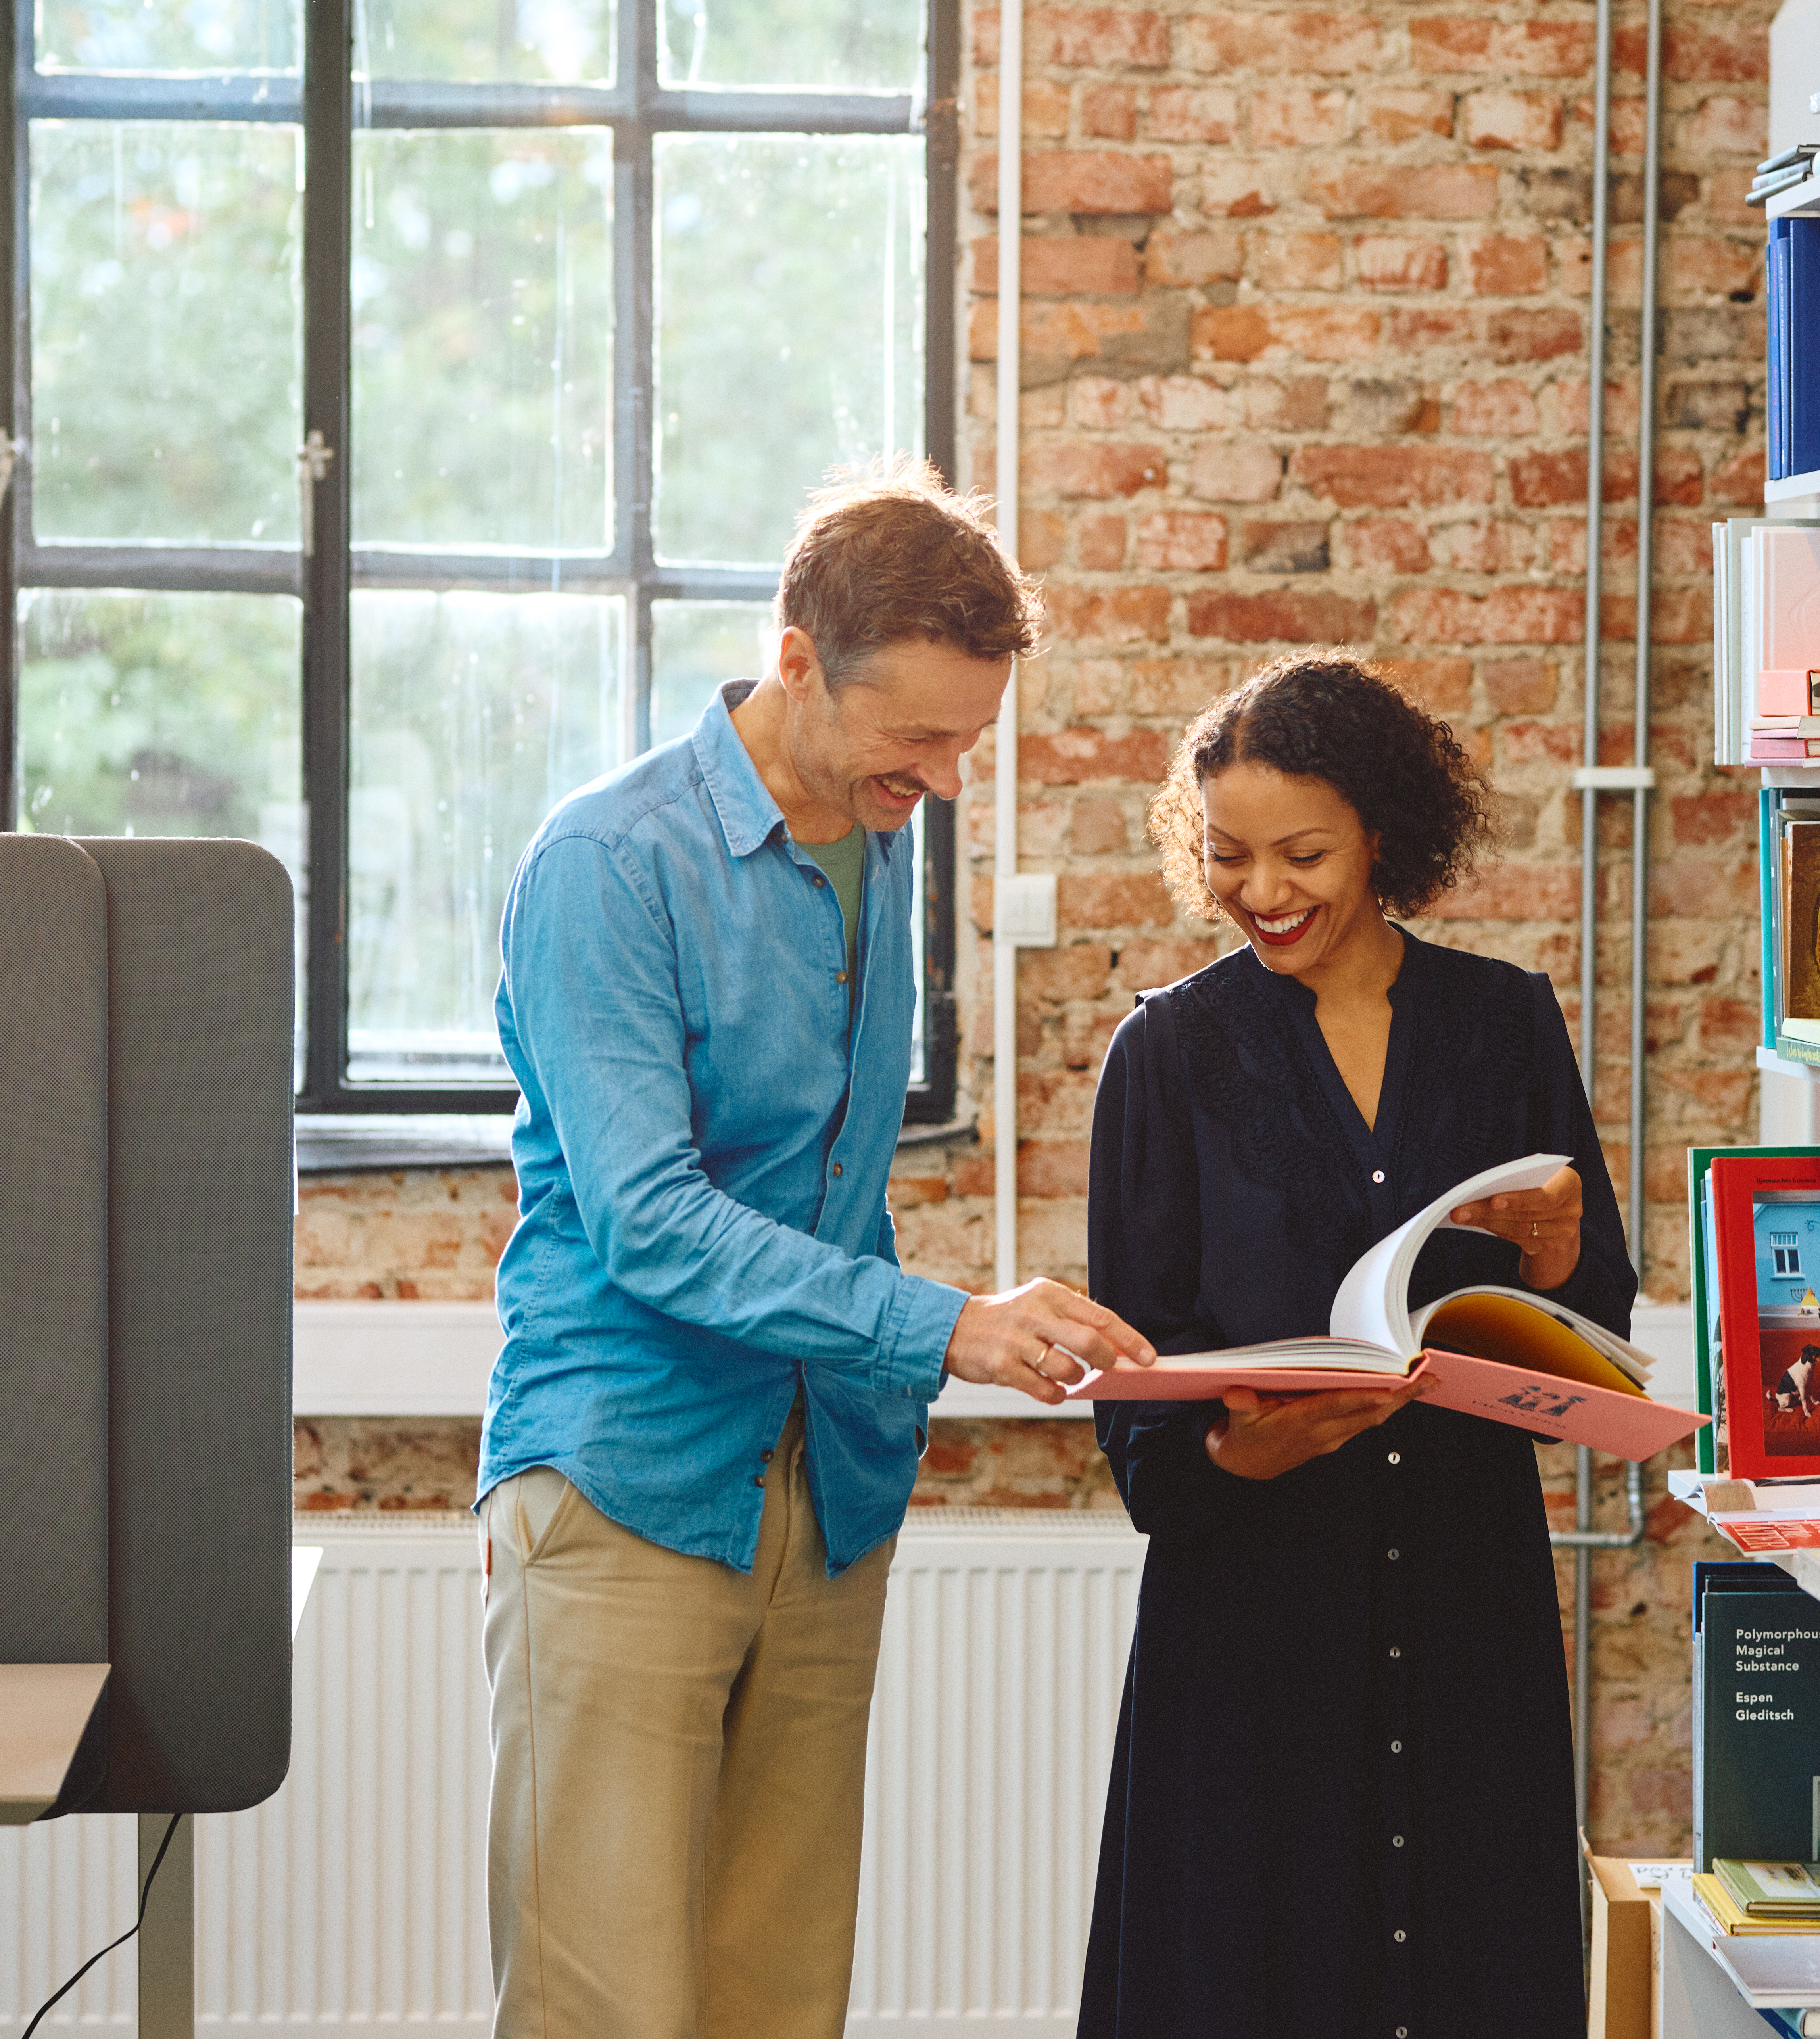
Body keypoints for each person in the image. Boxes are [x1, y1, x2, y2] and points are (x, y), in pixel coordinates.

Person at [478, 468, 1155, 2039]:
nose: (943, 774)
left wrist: (915, 1354)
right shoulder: (608, 864)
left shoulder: (876, 832)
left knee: (779, 2000)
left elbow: (830, 1173)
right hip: (627, 1471)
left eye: (966, 740)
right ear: (795, 660)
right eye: (914, 735)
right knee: (606, 2004)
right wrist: (945, 1325)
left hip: (827, 1480)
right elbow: (649, 1217)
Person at [1077, 652, 1636, 2039]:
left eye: (1303, 854)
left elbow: (1600, 1331)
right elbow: (1134, 1396)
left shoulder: (1506, 1024)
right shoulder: (1165, 1055)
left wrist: (1557, 1254)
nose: (1264, 893)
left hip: (1465, 1596)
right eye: (1229, 858)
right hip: (1256, 1625)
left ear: (1383, 833)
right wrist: (1234, 1447)